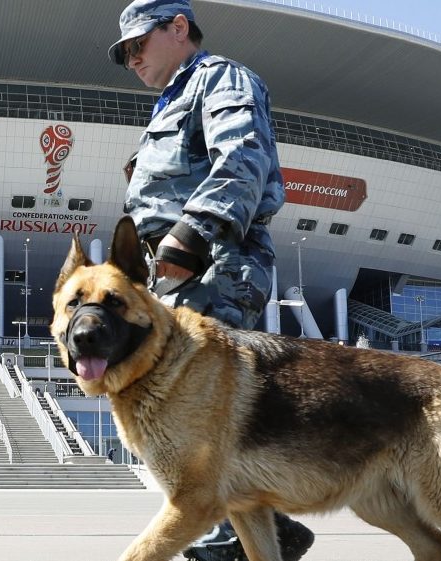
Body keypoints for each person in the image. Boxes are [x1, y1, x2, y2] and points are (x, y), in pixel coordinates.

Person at [108, 2, 313, 561]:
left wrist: (192, 234)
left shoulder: (220, 79)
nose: (131, 59)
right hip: (173, 276)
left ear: (177, 28)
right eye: (125, 53)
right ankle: (269, 529)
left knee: (199, 404)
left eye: (137, 45)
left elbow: (243, 158)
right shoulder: (170, 103)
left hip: (214, 264)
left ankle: (224, 546)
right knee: (190, 405)